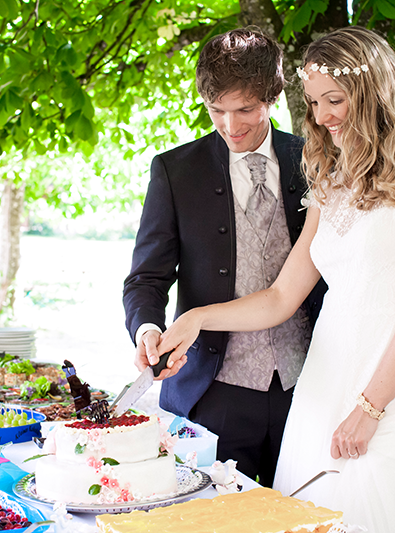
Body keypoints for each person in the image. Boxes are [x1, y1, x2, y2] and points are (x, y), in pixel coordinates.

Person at [157, 26, 395, 532]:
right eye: (315, 102)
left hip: (390, 383)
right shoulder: (332, 177)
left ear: (372, 93)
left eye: (335, 100)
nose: (321, 117)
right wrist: (195, 318)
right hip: (323, 381)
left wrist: (370, 407)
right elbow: (282, 295)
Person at [123, 28, 327, 487]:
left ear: (272, 97)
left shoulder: (317, 159)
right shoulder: (175, 171)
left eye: (246, 110)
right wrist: (148, 328)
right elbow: (145, 279)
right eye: (217, 110)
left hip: (308, 387)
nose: (231, 126)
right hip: (210, 392)